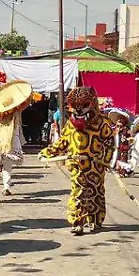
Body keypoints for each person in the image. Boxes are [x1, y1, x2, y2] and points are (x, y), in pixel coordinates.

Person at [40, 87, 115, 236]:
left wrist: (103, 159)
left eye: (84, 105)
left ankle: (95, 220)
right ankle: (77, 222)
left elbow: (110, 143)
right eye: (75, 107)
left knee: (96, 192)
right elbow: (63, 142)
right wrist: (47, 152)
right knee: (78, 192)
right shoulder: (70, 125)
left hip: (95, 166)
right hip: (76, 165)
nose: (79, 111)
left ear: (92, 104)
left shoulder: (102, 123)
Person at [107, 109, 132, 177]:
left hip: (122, 148)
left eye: (122, 119)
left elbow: (130, 137)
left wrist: (129, 140)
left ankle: (126, 170)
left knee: (122, 159)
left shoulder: (126, 130)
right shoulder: (113, 129)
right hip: (114, 147)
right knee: (114, 158)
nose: (120, 120)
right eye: (119, 119)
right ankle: (115, 168)